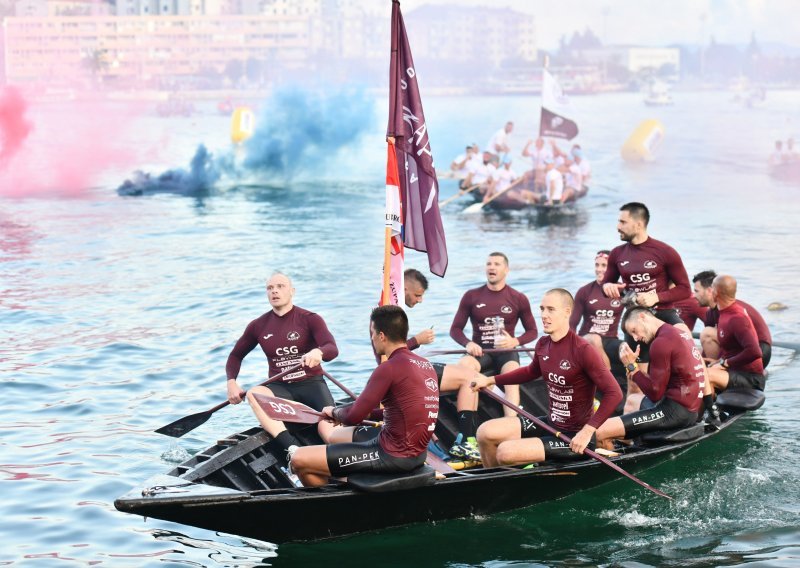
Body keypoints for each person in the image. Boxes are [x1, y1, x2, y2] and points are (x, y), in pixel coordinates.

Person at [290, 305, 438, 487]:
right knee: (337, 436)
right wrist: (352, 413)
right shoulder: (425, 365)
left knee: (298, 459)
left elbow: (353, 417)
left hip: (391, 455)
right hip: (417, 454)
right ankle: (340, 480)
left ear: (382, 336)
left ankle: (331, 502)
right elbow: (398, 410)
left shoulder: (388, 368)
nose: (372, 339)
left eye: (372, 334)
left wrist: (334, 411)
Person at [471, 289, 622, 467]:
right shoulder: (543, 344)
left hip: (576, 437)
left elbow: (615, 393)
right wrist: (490, 380)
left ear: (567, 312)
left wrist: (588, 431)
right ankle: (494, 483)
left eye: (551, 309)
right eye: (542, 309)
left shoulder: (583, 350)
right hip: (551, 424)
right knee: (485, 432)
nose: (544, 315)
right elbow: (530, 372)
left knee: (505, 451)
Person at [226, 272, 339, 454]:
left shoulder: (310, 318)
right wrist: (231, 382)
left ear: (292, 291)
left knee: (329, 433)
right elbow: (235, 356)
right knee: (254, 393)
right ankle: (292, 448)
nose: (274, 291)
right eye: (270, 288)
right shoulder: (258, 325)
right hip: (281, 389)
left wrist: (319, 352)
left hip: (311, 385)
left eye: (280, 286)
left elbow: (332, 348)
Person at [394, 268, 484, 461]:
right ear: (405, 288)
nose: (420, 300)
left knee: (471, 372)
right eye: (417, 295)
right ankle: (466, 442)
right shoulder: (390, 313)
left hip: (411, 366)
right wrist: (417, 340)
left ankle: (467, 440)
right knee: (471, 378)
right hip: (405, 373)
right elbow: (386, 356)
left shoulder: (395, 310)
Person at [594, 307, 704, 447]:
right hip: (690, 409)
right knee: (633, 400)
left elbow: (655, 394)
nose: (635, 338)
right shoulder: (677, 332)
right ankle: (629, 445)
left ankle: (617, 461)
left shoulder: (660, 343)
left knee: (598, 431)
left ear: (642, 317)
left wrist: (632, 369)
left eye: (634, 330)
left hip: (673, 412)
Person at [601, 202, 692, 369]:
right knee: (636, 379)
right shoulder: (617, 254)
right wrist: (608, 287)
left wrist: (656, 297)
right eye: (618, 222)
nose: (617, 227)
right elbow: (607, 284)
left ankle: (701, 391)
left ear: (638, 224)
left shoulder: (665, 251)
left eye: (623, 222)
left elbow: (685, 289)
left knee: (685, 336)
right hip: (634, 318)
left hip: (664, 313)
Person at [450, 252, 538, 418]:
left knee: (512, 375)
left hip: (507, 352)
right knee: (463, 366)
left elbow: (533, 331)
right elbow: (455, 329)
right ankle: (469, 430)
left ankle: (510, 425)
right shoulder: (471, 296)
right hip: (480, 351)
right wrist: (468, 344)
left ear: (506, 270)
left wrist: (515, 341)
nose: (491, 267)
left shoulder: (518, 298)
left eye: (497, 264)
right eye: (489, 263)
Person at [693, 270, 772, 368]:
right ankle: (714, 368)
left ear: (710, 290)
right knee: (697, 352)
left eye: (696, 291)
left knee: (707, 334)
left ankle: (717, 371)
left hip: (761, 351)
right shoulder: (711, 313)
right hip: (740, 348)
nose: (693, 295)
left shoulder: (732, 310)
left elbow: (753, 350)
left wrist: (722, 362)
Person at [704, 275, 766, 396]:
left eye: (711, 288)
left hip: (751, 379)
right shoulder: (725, 312)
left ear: (716, 293)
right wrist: (718, 361)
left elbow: (755, 351)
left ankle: (711, 413)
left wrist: (724, 364)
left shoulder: (737, 318)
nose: (709, 291)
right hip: (734, 370)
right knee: (698, 366)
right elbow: (731, 347)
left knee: (705, 375)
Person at [570, 250, 625, 375]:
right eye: (597, 265)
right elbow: (572, 324)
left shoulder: (622, 290)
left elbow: (634, 316)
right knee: (595, 339)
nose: (599, 269)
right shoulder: (584, 291)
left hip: (610, 339)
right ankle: (610, 381)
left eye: (603, 265)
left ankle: (635, 389)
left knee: (627, 348)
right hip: (586, 339)